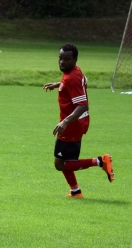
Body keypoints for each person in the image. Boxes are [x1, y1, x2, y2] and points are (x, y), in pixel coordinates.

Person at [42, 43, 115, 198]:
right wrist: (59, 85)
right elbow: (84, 81)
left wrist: (65, 122)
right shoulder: (74, 72)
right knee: (64, 161)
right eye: (60, 58)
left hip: (72, 124)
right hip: (76, 122)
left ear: (75, 59)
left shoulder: (72, 78)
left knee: (60, 164)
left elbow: (82, 105)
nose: (62, 62)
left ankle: (101, 161)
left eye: (67, 59)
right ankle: (75, 191)